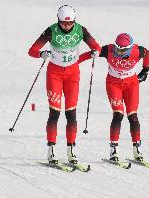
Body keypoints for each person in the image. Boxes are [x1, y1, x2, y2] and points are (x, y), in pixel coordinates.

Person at [28, 5, 101, 164]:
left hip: (72, 75)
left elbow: (96, 47)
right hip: (54, 74)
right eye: (63, 23)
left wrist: (95, 51)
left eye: (70, 23)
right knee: (54, 113)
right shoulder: (51, 30)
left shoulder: (81, 30)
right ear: (58, 21)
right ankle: (51, 151)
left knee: (71, 114)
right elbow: (32, 50)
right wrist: (41, 53)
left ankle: (71, 150)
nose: (67, 26)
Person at [78, 33, 149, 162]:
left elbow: (148, 54)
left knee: (133, 116)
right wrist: (75, 62)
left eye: (122, 50)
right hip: (114, 84)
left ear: (129, 48)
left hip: (131, 85)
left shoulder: (138, 51)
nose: (119, 52)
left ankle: (137, 151)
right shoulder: (109, 49)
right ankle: (113, 151)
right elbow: (91, 53)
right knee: (118, 115)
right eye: (117, 48)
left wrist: (145, 70)